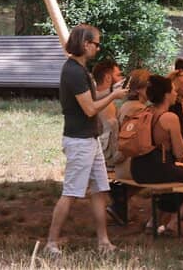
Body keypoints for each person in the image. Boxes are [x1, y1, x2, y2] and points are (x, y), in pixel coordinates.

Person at [45, 25, 128, 256]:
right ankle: (51, 242)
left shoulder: (81, 70)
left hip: (89, 139)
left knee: (101, 190)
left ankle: (103, 242)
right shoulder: (73, 71)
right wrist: (113, 96)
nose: (98, 48)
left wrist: (113, 90)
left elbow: (91, 99)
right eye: (97, 43)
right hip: (79, 141)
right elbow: (90, 109)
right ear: (85, 44)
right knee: (71, 192)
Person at [131, 75, 183, 236]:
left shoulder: (144, 111)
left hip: (138, 167)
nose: (175, 94)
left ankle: (153, 222)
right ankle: (174, 223)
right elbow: (180, 152)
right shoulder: (169, 117)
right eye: (173, 90)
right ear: (166, 94)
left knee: (179, 179)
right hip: (157, 167)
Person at [92, 59, 123, 166]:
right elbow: (113, 152)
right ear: (108, 78)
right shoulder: (106, 104)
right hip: (107, 163)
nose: (122, 79)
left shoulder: (92, 98)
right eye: (118, 75)